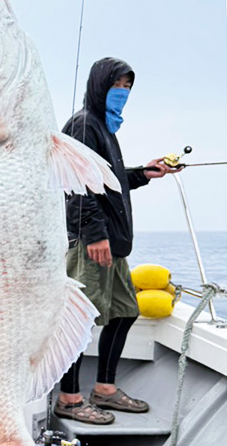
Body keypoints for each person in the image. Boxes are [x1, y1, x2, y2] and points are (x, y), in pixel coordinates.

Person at [53, 57, 176, 425]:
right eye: (116, 85)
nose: (122, 93)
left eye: (127, 87)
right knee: (78, 322)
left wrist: (142, 174)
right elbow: (76, 184)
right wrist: (94, 234)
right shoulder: (83, 125)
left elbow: (107, 179)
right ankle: (69, 399)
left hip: (113, 244)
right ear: (99, 86)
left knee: (125, 311)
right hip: (93, 243)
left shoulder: (105, 128)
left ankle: (104, 389)